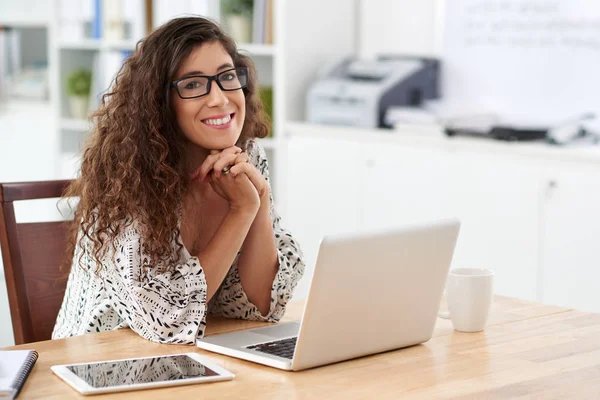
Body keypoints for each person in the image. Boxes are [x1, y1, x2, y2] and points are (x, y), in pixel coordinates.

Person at [52, 17, 305, 344]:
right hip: (98, 367)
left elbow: (265, 304)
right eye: (193, 84)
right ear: (161, 102)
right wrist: (242, 210)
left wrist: (259, 200)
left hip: (196, 361)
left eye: (227, 77)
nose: (219, 98)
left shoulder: (246, 158)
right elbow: (166, 323)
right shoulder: (128, 178)